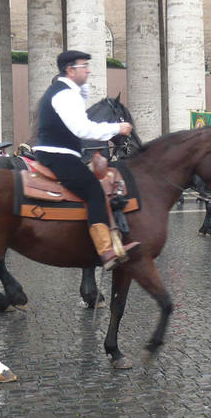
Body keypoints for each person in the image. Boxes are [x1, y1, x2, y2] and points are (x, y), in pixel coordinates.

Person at [33, 50, 139, 270]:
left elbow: (82, 95)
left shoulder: (66, 91)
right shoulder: (65, 95)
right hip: (59, 155)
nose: (89, 70)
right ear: (70, 70)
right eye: (84, 66)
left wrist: (82, 83)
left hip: (55, 152)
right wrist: (117, 128)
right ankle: (106, 251)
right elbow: (81, 128)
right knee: (94, 192)